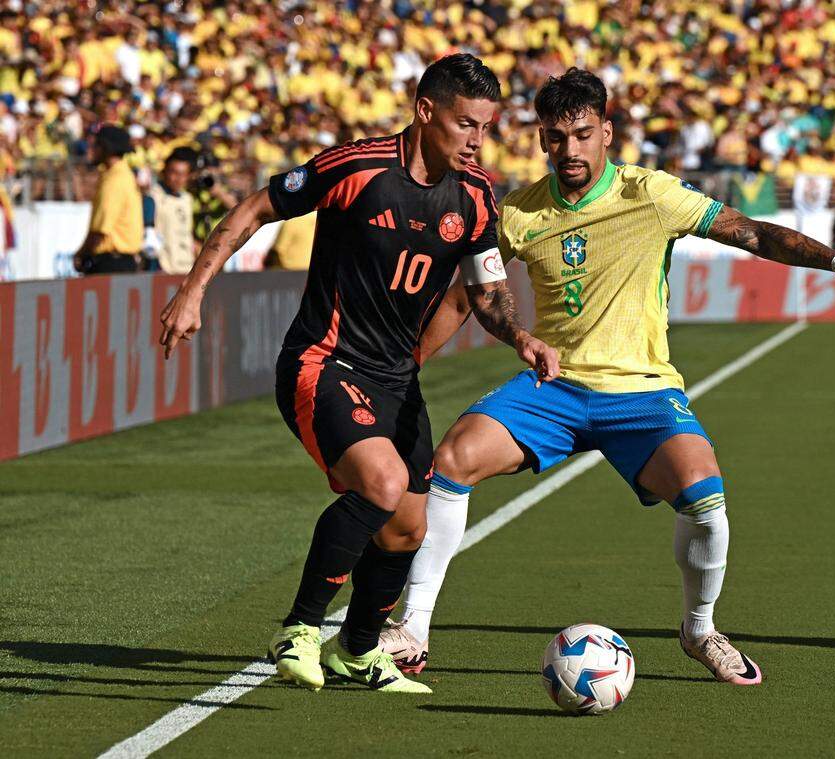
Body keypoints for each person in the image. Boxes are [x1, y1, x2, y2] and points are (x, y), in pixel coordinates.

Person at [380, 69, 835, 685]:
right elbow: (469, 296)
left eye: (582, 135)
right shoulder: (520, 213)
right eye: (556, 138)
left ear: (606, 132)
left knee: (705, 495)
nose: (570, 151)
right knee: (452, 458)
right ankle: (413, 629)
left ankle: (700, 628)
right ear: (541, 141)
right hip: (556, 388)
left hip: (643, 391)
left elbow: (754, 233)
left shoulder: (651, 195)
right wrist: (410, 364)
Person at [157, 54, 558, 694]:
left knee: (408, 527)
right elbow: (254, 209)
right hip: (324, 360)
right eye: (465, 124)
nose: (477, 139)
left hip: (396, 379)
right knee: (383, 482)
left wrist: (519, 337)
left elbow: (485, 291)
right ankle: (299, 629)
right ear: (426, 112)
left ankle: (358, 650)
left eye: (485, 126)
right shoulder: (355, 168)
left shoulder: (477, 195)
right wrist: (194, 290)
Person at [72, 124, 143, 275]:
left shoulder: (114, 180)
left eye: (95, 144)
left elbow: (101, 229)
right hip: (120, 262)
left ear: (106, 147)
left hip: (111, 263)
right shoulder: (123, 175)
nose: (90, 149)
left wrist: (81, 254)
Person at [144, 146, 195, 274]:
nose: (178, 178)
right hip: (163, 270)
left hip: (186, 268)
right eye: (174, 172)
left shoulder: (187, 199)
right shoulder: (152, 197)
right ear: (164, 171)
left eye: (183, 174)